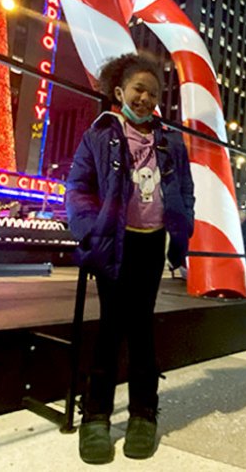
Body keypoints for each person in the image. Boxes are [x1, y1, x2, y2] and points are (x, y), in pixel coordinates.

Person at [66, 53, 195, 464]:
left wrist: (182, 231)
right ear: (119, 91)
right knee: (109, 328)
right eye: (139, 89)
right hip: (112, 243)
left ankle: (143, 413)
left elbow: (186, 190)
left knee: (141, 328)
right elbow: (78, 188)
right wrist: (90, 231)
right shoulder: (99, 134)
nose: (146, 98)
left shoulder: (171, 139)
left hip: (150, 243)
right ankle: (96, 416)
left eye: (153, 93)